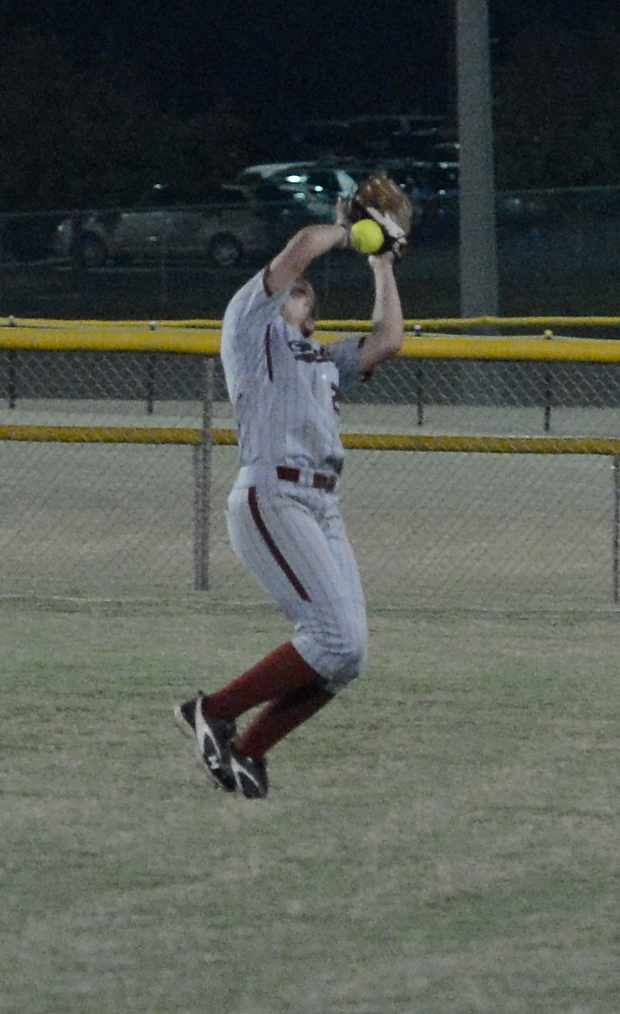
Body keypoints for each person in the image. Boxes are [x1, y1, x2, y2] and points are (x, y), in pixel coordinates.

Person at [175, 200, 404, 799]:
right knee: (332, 637)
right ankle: (213, 711)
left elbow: (389, 339)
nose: (294, 288)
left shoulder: (321, 359)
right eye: (288, 289)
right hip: (271, 493)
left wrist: (383, 263)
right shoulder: (252, 327)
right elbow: (301, 247)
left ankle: (249, 752)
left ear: (311, 317)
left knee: (348, 655)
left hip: (323, 505)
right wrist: (352, 229)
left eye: (304, 294)